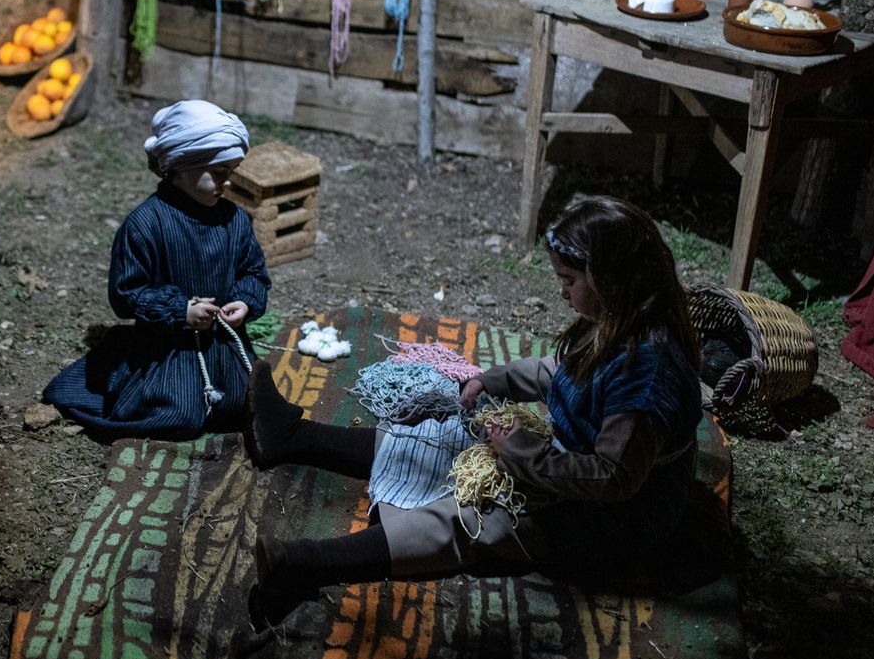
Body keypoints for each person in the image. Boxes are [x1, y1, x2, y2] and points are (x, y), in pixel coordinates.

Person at [243, 195, 703, 630]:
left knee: (477, 517)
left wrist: (520, 452)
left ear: (610, 279)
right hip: (569, 458)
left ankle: (304, 565)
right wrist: (497, 380)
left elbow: (612, 477)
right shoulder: (617, 318)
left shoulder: (645, 370)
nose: (562, 292)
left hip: (611, 519)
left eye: (569, 280)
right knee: (439, 439)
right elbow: (564, 372)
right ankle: (291, 438)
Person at [43, 99, 271, 440]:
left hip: (220, 342)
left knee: (243, 403)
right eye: (218, 173)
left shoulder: (234, 220)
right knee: (181, 415)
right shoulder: (145, 224)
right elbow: (127, 294)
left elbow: (252, 272)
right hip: (168, 346)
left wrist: (244, 302)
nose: (227, 183)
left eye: (231, 172)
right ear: (180, 167)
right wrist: (181, 311)